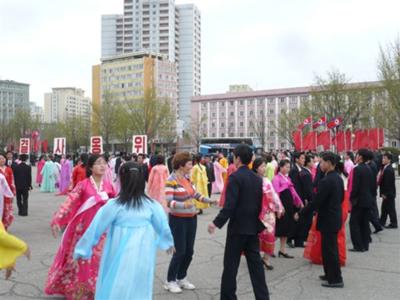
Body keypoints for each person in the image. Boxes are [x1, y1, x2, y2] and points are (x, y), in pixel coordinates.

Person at [74, 161, 174, 300]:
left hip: (118, 251)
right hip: (143, 251)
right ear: (142, 180)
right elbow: (163, 225)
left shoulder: (114, 205)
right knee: (139, 283)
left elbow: (95, 228)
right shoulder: (151, 205)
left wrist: (82, 250)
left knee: (118, 282)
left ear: (122, 180)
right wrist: (168, 242)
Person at [45, 155, 116, 299]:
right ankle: (81, 291)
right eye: (98, 163)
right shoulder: (83, 185)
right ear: (90, 167)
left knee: (99, 261)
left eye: (104, 163)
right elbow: (69, 202)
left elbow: (116, 206)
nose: (102, 166)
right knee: (83, 261)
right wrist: (58, 220)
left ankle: (98, 290)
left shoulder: (109, 186)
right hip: (84, 230)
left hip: (103, 230)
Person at [208, 145, 270, 300]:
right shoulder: (257, 178)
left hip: (237, 229)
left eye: (234, 156)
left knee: (230, 267)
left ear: (238, 158)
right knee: (256, 267)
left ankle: (228, 297)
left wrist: (215, 223)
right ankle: (263, 297)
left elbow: (230, 205)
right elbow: (258, 204)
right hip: (252, 227)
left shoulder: (235, 177)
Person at [164, 152, 216, 294]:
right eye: (189, 164)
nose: (191, 166)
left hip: (191, 218)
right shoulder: (171, 180)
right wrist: (184, 205)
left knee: (189, 251)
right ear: (181, 165)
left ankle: (181, 277)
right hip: (178, 220)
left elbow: (195, 194)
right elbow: (169, 202)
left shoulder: (187, 178)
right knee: (179, 252)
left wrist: (209, 200)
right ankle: (170, 281)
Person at [300, 152, 344, 288]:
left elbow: (316, 201)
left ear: (330, 163)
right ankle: (329, 273)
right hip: (334, 217)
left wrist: (302, 212)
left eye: (323, 162)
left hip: (328, 219)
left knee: (330, 250)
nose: (320, 165)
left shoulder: (327, 180)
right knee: (327, 249)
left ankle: (336, 279)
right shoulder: (337, 178)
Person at [252, 157, 284, 270]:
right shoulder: (252, 180)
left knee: (270, 235)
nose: (264, 168)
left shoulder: (266, 180)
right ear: (256, 168)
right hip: (257, 212)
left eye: (265, 166)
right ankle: (256, 257)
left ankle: (266, 258)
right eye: (262, 166)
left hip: (269, 213)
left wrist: (279, 207)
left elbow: (274, 195)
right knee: (256, 236)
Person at [272, 159, 303, 258]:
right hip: (281, 206)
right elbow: (276, 193)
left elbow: (293, 191)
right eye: (286, 167)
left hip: (289, 206)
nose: (288, 169)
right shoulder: (276, 178)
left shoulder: (287, 178)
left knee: (285, 229)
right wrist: (279, 208)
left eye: (289, 167)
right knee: (278, 229)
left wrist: (299, 201)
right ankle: (269, 250)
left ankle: (282, 250)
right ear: (280, 167)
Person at [349, 149, 375, 252]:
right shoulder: (369, 168)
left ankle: (358, 246)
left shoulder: (358, 169)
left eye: (357, 155)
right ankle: (365, 245)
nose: (356, 156)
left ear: (360, 157)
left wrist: (352, 197)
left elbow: (355, 187)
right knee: (364, 223)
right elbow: (373, 186)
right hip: (368, 200)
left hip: (359, 201)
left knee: (354, 223)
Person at [288, 152, 306, 248]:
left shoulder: (301, 169)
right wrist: (297, 200)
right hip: (296, 198)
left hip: (301, 197)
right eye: (302, 158)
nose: (304, 160)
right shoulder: (294, 170)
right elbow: (293, 187)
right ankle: (289, 238)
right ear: (296, 159)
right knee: (295, 219)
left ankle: (299, 241)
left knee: (300, 219)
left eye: (304, 158)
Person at [365, 150, 384, 234]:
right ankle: (377, 223)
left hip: (370, 190)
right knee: (372, 208)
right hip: (371, 190)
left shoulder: (370, 166)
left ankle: (376, 224)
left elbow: (371, 179)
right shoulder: (371, 164)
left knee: (370, 209)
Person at [379, 153, 397, 229]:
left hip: (389, 193)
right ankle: (381, 222)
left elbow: (388, 183)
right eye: (383, 158)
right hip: (387, 193)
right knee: (384, 208)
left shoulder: (389, 169)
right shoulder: (385, 167)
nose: (383, 159)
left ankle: (394, 224)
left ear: (389, 160)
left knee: (390, 209)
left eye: (384, 158)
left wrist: (384, 193)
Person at [0, 153, 15, 229]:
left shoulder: (9, 169)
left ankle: (5, 226)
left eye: (3, 158)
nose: (2, 160)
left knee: (7, 211)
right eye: (0, 159)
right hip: (0, 194)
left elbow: (12, 182)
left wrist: (12, 193)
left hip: (7, 193)